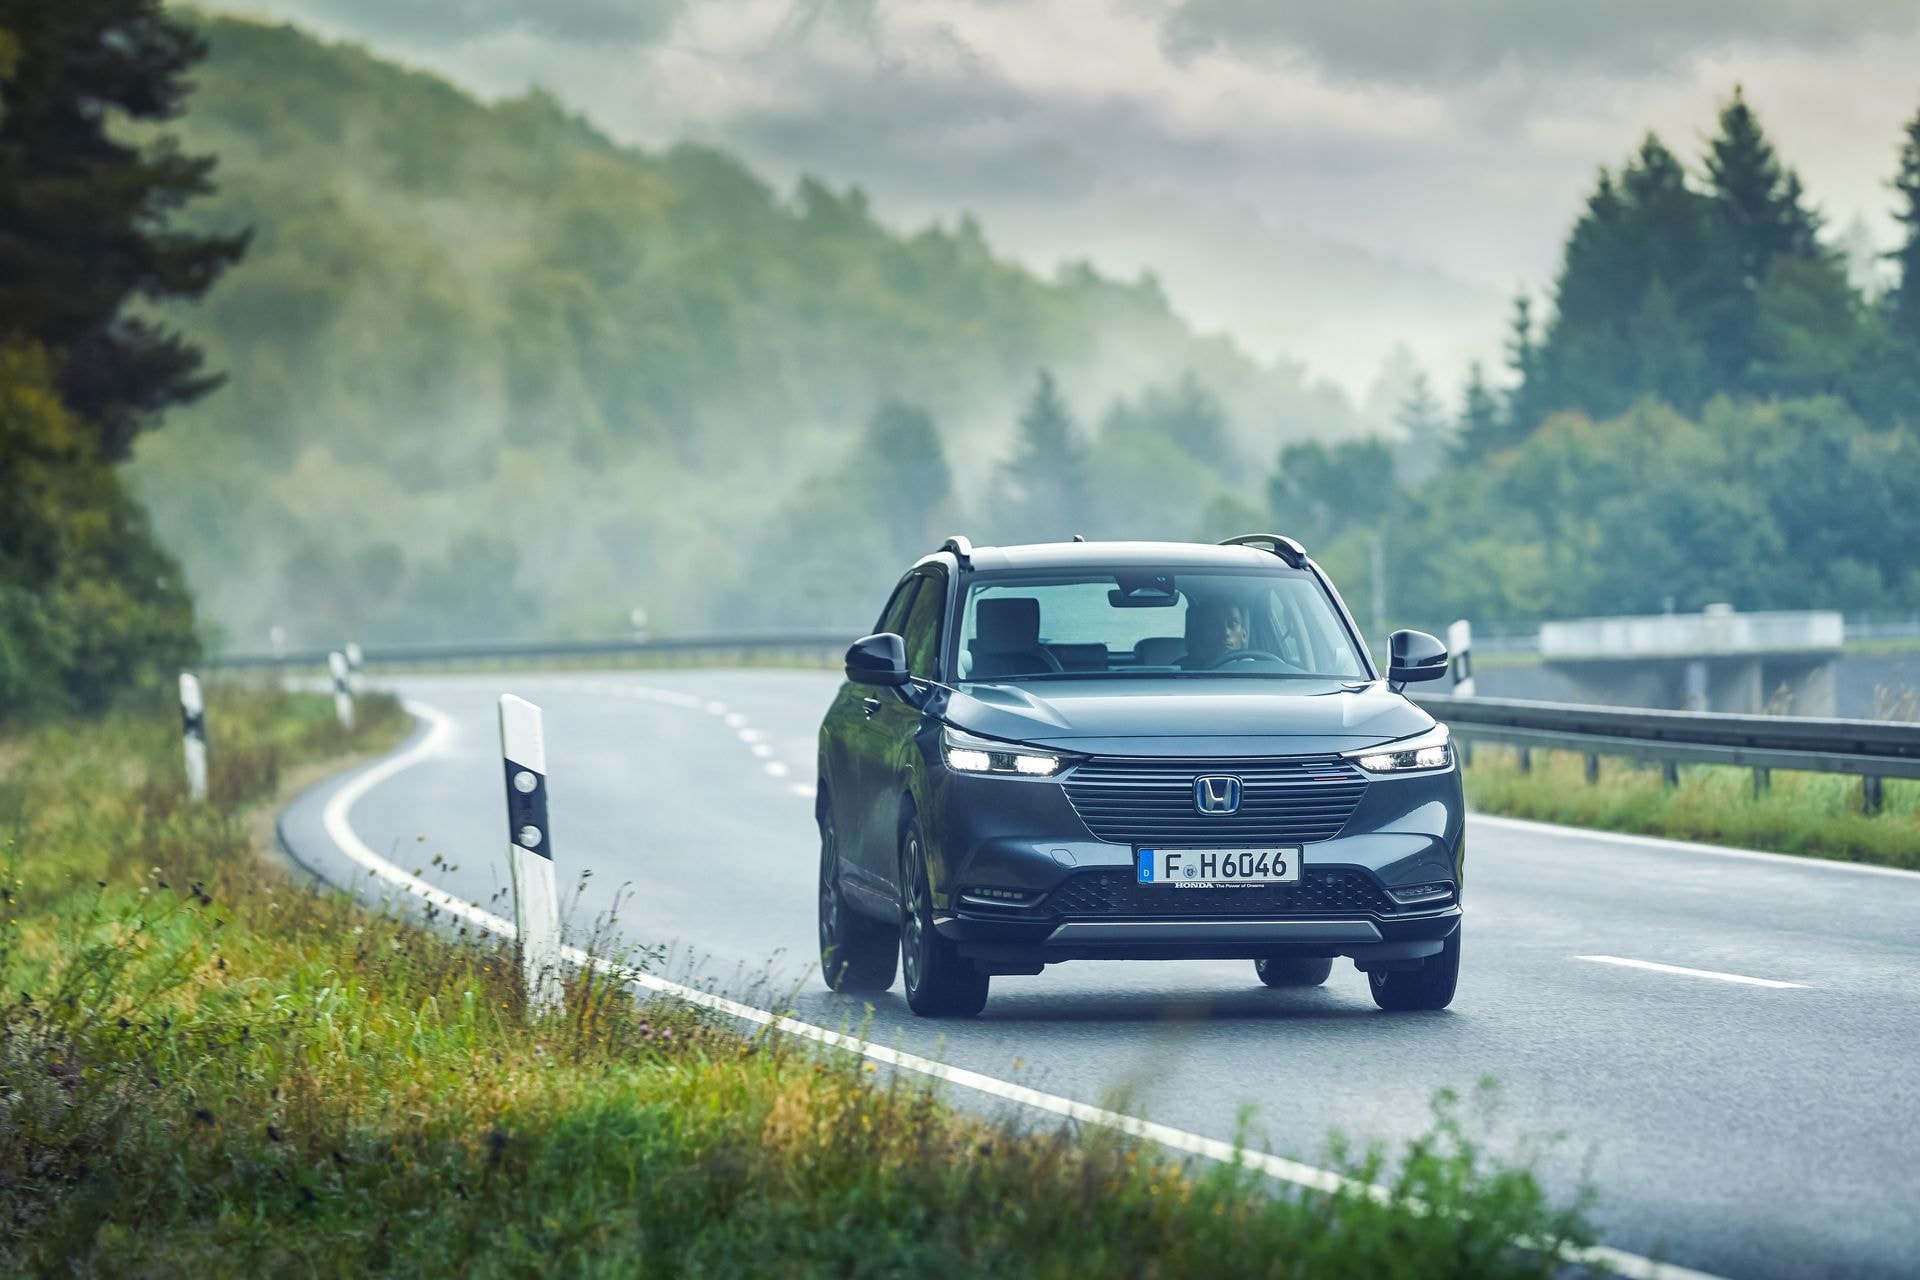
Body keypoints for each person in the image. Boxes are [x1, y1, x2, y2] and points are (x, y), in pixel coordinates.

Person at [1182, 597, 1250, 668]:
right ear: (1200, 633)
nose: (1225, 632)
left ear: (1244, 635)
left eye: (1232, 624)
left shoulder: (1256, 670)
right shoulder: (1181, 674)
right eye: (1214, 625)